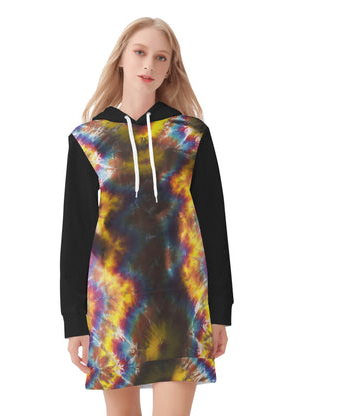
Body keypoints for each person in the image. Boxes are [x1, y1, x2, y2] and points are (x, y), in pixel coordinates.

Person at [60, 16, 234, 416]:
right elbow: (77, 233)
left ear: (170, 68)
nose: (149, 65)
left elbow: (213, 226)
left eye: (161, 57)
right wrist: (74, 321)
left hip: (182, 305)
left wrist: (220, 310)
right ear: (121, 58)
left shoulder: (190, 135)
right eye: (140, 52)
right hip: (115, 307)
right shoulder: (88, 140)